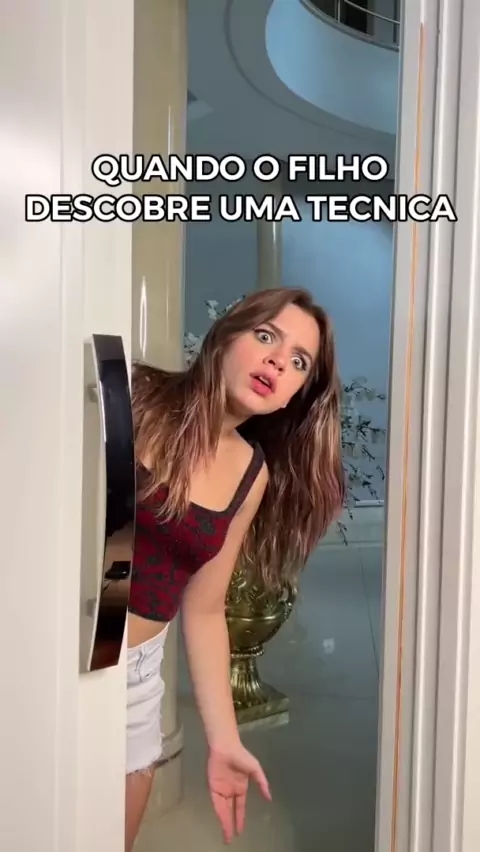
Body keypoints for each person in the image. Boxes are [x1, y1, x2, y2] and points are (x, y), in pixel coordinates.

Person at [125, 286, 345, 850]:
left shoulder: (251, 475)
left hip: (134, 679)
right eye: (266, 336)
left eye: (299, 361)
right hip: (49, 647)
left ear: (297, 393)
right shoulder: (134, 395)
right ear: (225, 335)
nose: (278, 361)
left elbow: (203, 610)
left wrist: (224, 742)